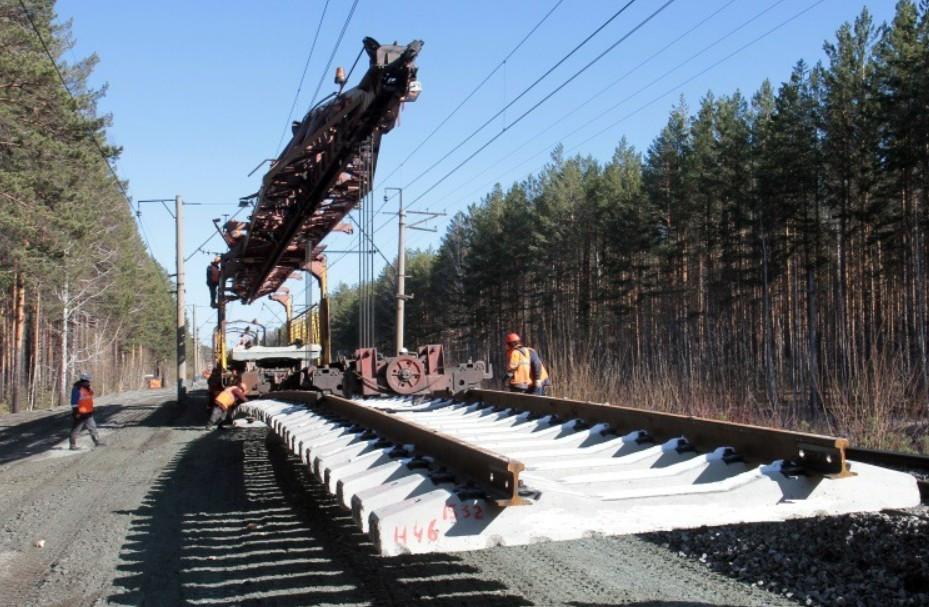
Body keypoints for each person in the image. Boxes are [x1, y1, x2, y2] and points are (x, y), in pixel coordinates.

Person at [70, 372, 105, 450]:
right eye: (88, 380)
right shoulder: (77, 388)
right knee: (76, 429)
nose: (89, 381)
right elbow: (73, 402)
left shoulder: (86, 387)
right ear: (84, 380)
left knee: (93, 427)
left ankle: (97, 442)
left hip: (88, 412)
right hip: (80, 413)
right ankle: (72, 445)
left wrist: (90, 389)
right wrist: (76, 412)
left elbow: (90, 396)